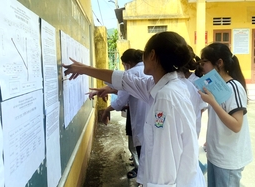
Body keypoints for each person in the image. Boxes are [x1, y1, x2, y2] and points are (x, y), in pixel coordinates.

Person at [63, 31, 205, 187]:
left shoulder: (166, 96)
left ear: (152, 55)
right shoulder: (162, 86)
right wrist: (84, 69)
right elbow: (125, 80)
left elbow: (165, 162)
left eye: (144, 54)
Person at [87, 48, 149, 180]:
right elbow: (123, 90)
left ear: (128, 63)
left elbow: (120, 100)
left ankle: (142, 178)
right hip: (151, 121)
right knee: (148, 157)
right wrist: (106, 90)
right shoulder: (148, 72)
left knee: (142, 154)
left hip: (140, 119)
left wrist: (106, 111)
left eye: (124, 65)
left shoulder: (132, 73)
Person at [198, 43, 253, 187]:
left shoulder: (233, 87)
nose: (202, 67)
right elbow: (218, 120)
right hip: (216, 153)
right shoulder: (217, 86)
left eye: (205, 62)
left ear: (219, 63)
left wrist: (212, 102)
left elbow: (236, 125)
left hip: (228, 158)